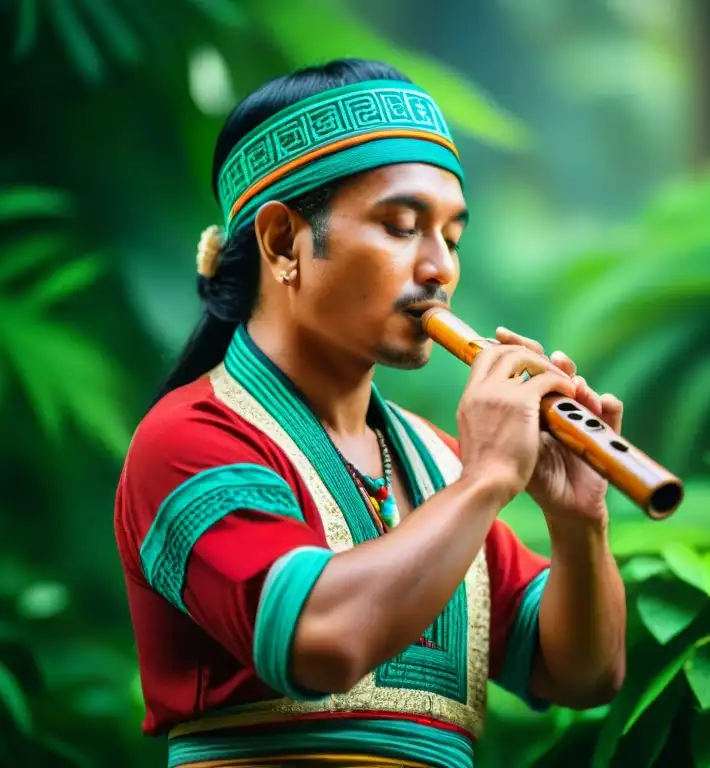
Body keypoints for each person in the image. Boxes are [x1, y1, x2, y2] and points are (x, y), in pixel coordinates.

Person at [113, 57, 627, 768]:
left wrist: (579, 521)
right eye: (401, 226)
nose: (439, 268)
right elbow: (322, 644)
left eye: (452, 236)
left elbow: (581, 672)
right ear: (281, 242)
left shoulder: (438, 463)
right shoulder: (189, 437)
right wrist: (484, 484)